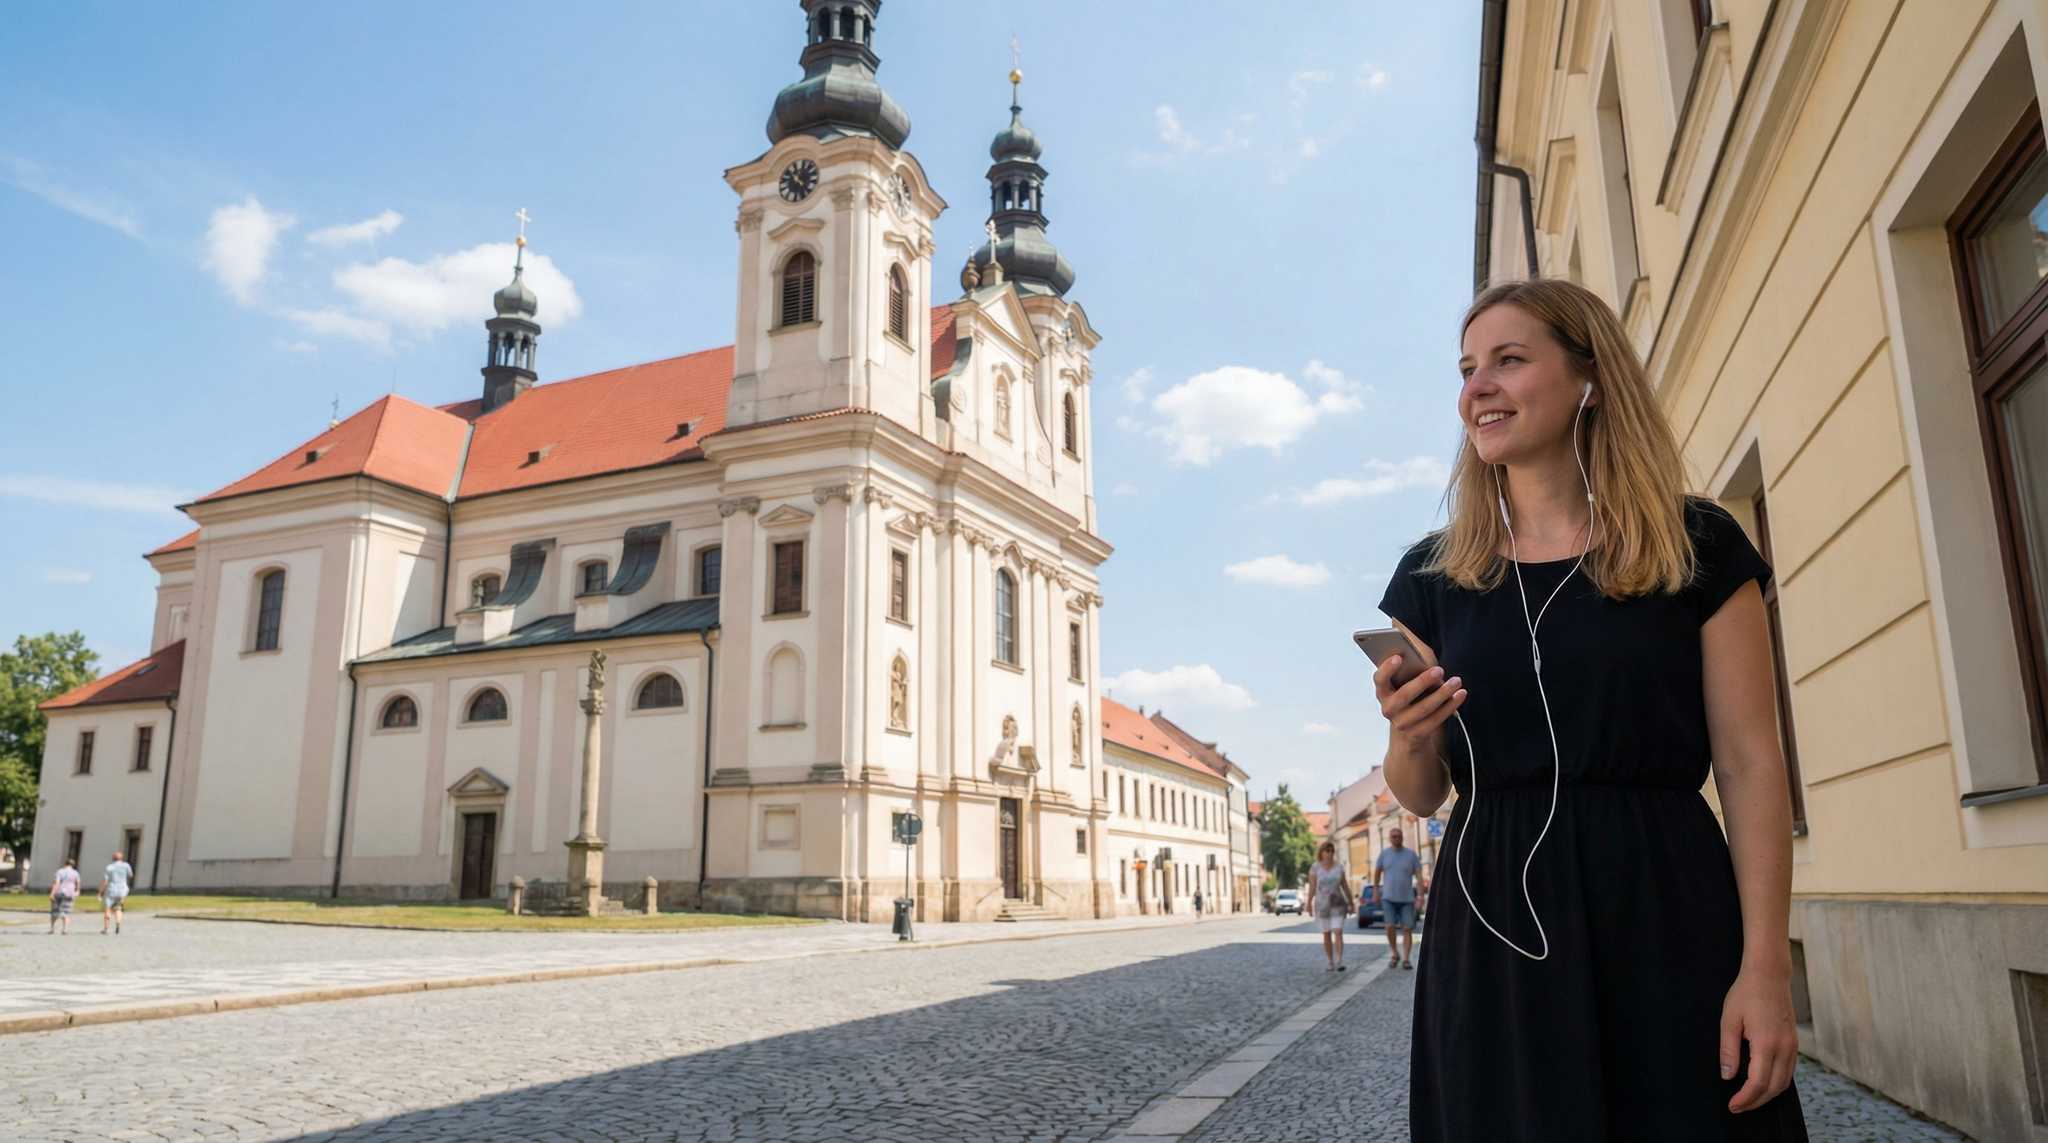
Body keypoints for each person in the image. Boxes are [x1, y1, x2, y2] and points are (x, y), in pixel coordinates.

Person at [1374, 278, 1805, 1139]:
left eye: (1508, 360)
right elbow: (1419, 794)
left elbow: (1753, 763)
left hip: (1665, 905)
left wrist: (1765, 966)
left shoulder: (1699, 547)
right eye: (1466, 369)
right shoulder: (1433, 576)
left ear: (1590, 378)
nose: (1477, 388)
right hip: (1493, 920)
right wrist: (1408, 733)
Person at [1374, 827, 1424, 970]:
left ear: (1402, 837)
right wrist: (1376, 890)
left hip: (1407, 899)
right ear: (1390, 838)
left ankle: (1406, 959)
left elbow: (1419, 876)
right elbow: (1377, 873)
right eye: (1393, 836)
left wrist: (1420, 896)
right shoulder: (1384, 854)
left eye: (1398, 836)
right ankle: (1395, 953)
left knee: (1407, 929)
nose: (1396, 838)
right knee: (1389, 926)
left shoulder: (1411, 855)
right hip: (1388, 898)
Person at [1308, 841, 1353, 972]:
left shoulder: (1339, 867)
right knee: (1326, 933)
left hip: (1338, 904)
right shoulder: (1315, 868)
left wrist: (1351, 902)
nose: (1329, 853)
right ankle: (1330, 961)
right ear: (1321, 852)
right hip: (1322, 905)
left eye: (1332, 851)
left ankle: (1339, 961)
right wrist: (1308, 904)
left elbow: (1344, 885)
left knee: (1338, 931)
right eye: (1327, 851)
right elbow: (1312, 887)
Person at [100, 850, 134, 935]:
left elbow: (105, 881)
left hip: (112, 890)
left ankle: (106, 928)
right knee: (118, 908)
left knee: (108, 908)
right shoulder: (126, 865)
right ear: (121, 858)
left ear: (113, 858)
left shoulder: (109, 867)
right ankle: (118, 923)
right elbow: (130, 875)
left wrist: (101, 892)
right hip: (122, 890)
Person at [47, 858, 81, 935]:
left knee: (54, 911)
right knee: (66, 911)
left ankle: (52, 928)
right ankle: (64, 929)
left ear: (65, 864)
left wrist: (52, 893)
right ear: (73, 865)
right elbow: (78, 883)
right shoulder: (75, 873)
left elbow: (57, 883)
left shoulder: (60, 871)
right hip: (70, 893)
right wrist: (77, 891)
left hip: (59, 892)